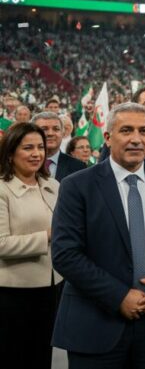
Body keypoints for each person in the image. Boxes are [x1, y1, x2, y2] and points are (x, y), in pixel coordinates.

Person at [51, 103, 145, 368]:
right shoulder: (77, 185)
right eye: (126, 130)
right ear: (108, 137)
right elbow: (65, 254)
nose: (137, 139)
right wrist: (119, 295)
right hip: (94, 325)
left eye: (144, 131)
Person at [0, 122, 61, 369]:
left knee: (42, 358)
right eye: (28, 148)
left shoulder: (53, 185)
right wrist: (47, 236)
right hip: (12, 294)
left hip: (51, 289)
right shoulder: (2, 189)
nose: (36, 154)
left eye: (40, 147)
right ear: (11, 152)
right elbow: (1, 244)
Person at [31, 111, 87, 183]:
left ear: (63, 133)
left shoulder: (78, 167)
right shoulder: (21, 165)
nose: (50, 133)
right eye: (44, 129)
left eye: (56, 129)